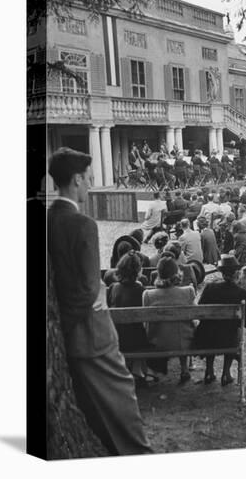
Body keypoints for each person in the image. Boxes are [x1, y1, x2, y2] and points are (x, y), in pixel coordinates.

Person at [47, 147, 152, 456]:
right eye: (89, 179)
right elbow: (90, 289)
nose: (90, 185)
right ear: (77, 179)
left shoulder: (46, 218)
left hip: (71, 338)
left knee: (92, 409)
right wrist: (93, 300)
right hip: (92, 335)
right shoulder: (83, 224)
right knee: (123, 402)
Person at [194, 255, 246, 385]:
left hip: (206, 338)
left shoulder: (209, 288)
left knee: (210, 328)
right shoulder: (244, 295)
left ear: (222, 273)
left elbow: (200, 313)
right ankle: (226, 373)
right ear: (237, 273)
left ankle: (209, 371)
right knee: (231, 331)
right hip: (228, 340)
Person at [143, 256, 196, 384]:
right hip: (184, 342)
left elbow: (146, 323)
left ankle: (154, 370)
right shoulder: (188, 291)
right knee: (183, 327)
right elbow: (194, 317)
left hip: (157, 344)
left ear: (159, 274)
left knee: (165, 328)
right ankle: (184, 368)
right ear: (177, 273)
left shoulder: (148, 295)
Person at [107, 251, 155, 387]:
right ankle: (138, 370)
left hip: (117, 338)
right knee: (139, 331)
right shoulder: (140, 289)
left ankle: (131, 370)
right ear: (138, 271)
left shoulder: (113, 288)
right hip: (137, 340)